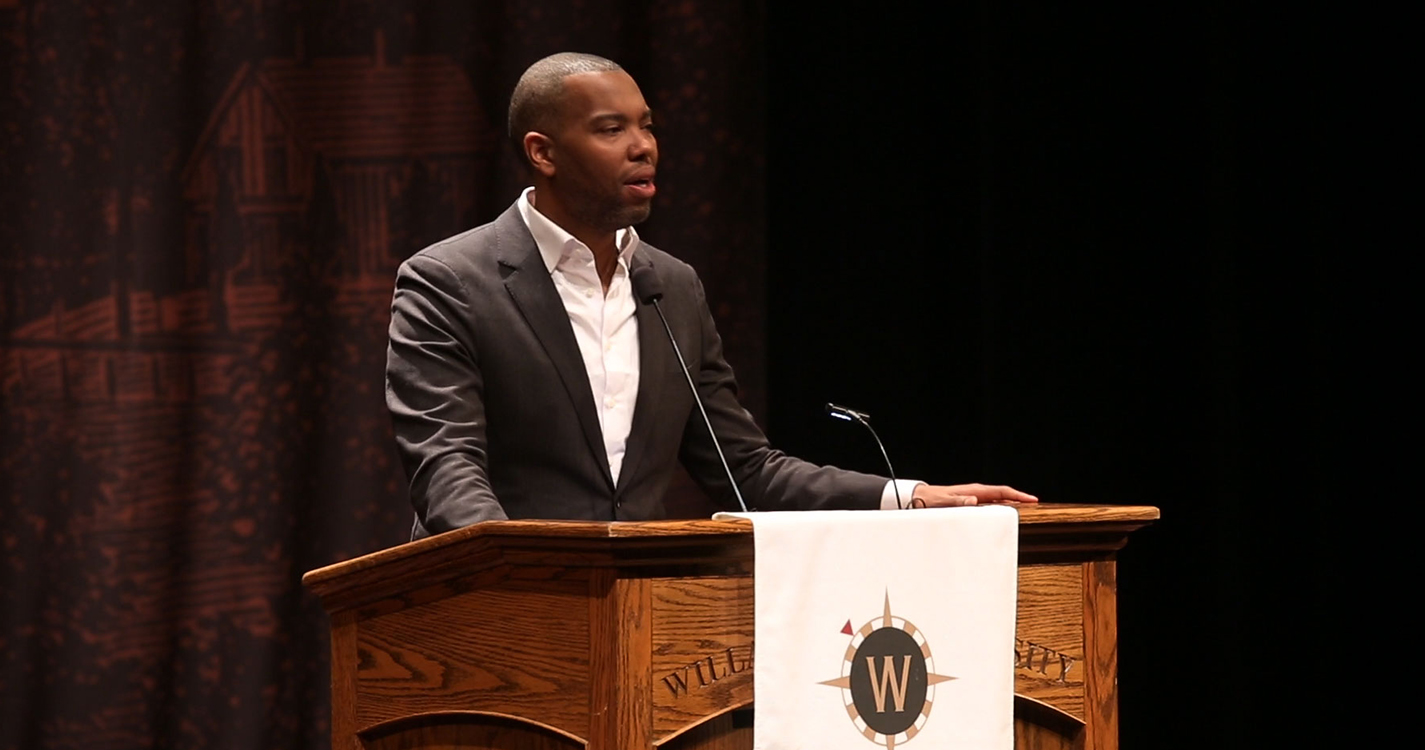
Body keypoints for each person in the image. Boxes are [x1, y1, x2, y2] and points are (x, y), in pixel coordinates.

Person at [386, 52, 1036, 539]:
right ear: (543, 152)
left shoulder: (671, 285)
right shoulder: (449, 281)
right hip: (494, 614)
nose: (643, 146)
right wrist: (516, 574)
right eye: (611, 129)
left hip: (638, 617)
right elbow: (448, 470)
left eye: (646, 126)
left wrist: (909, 496)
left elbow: (745, 470)